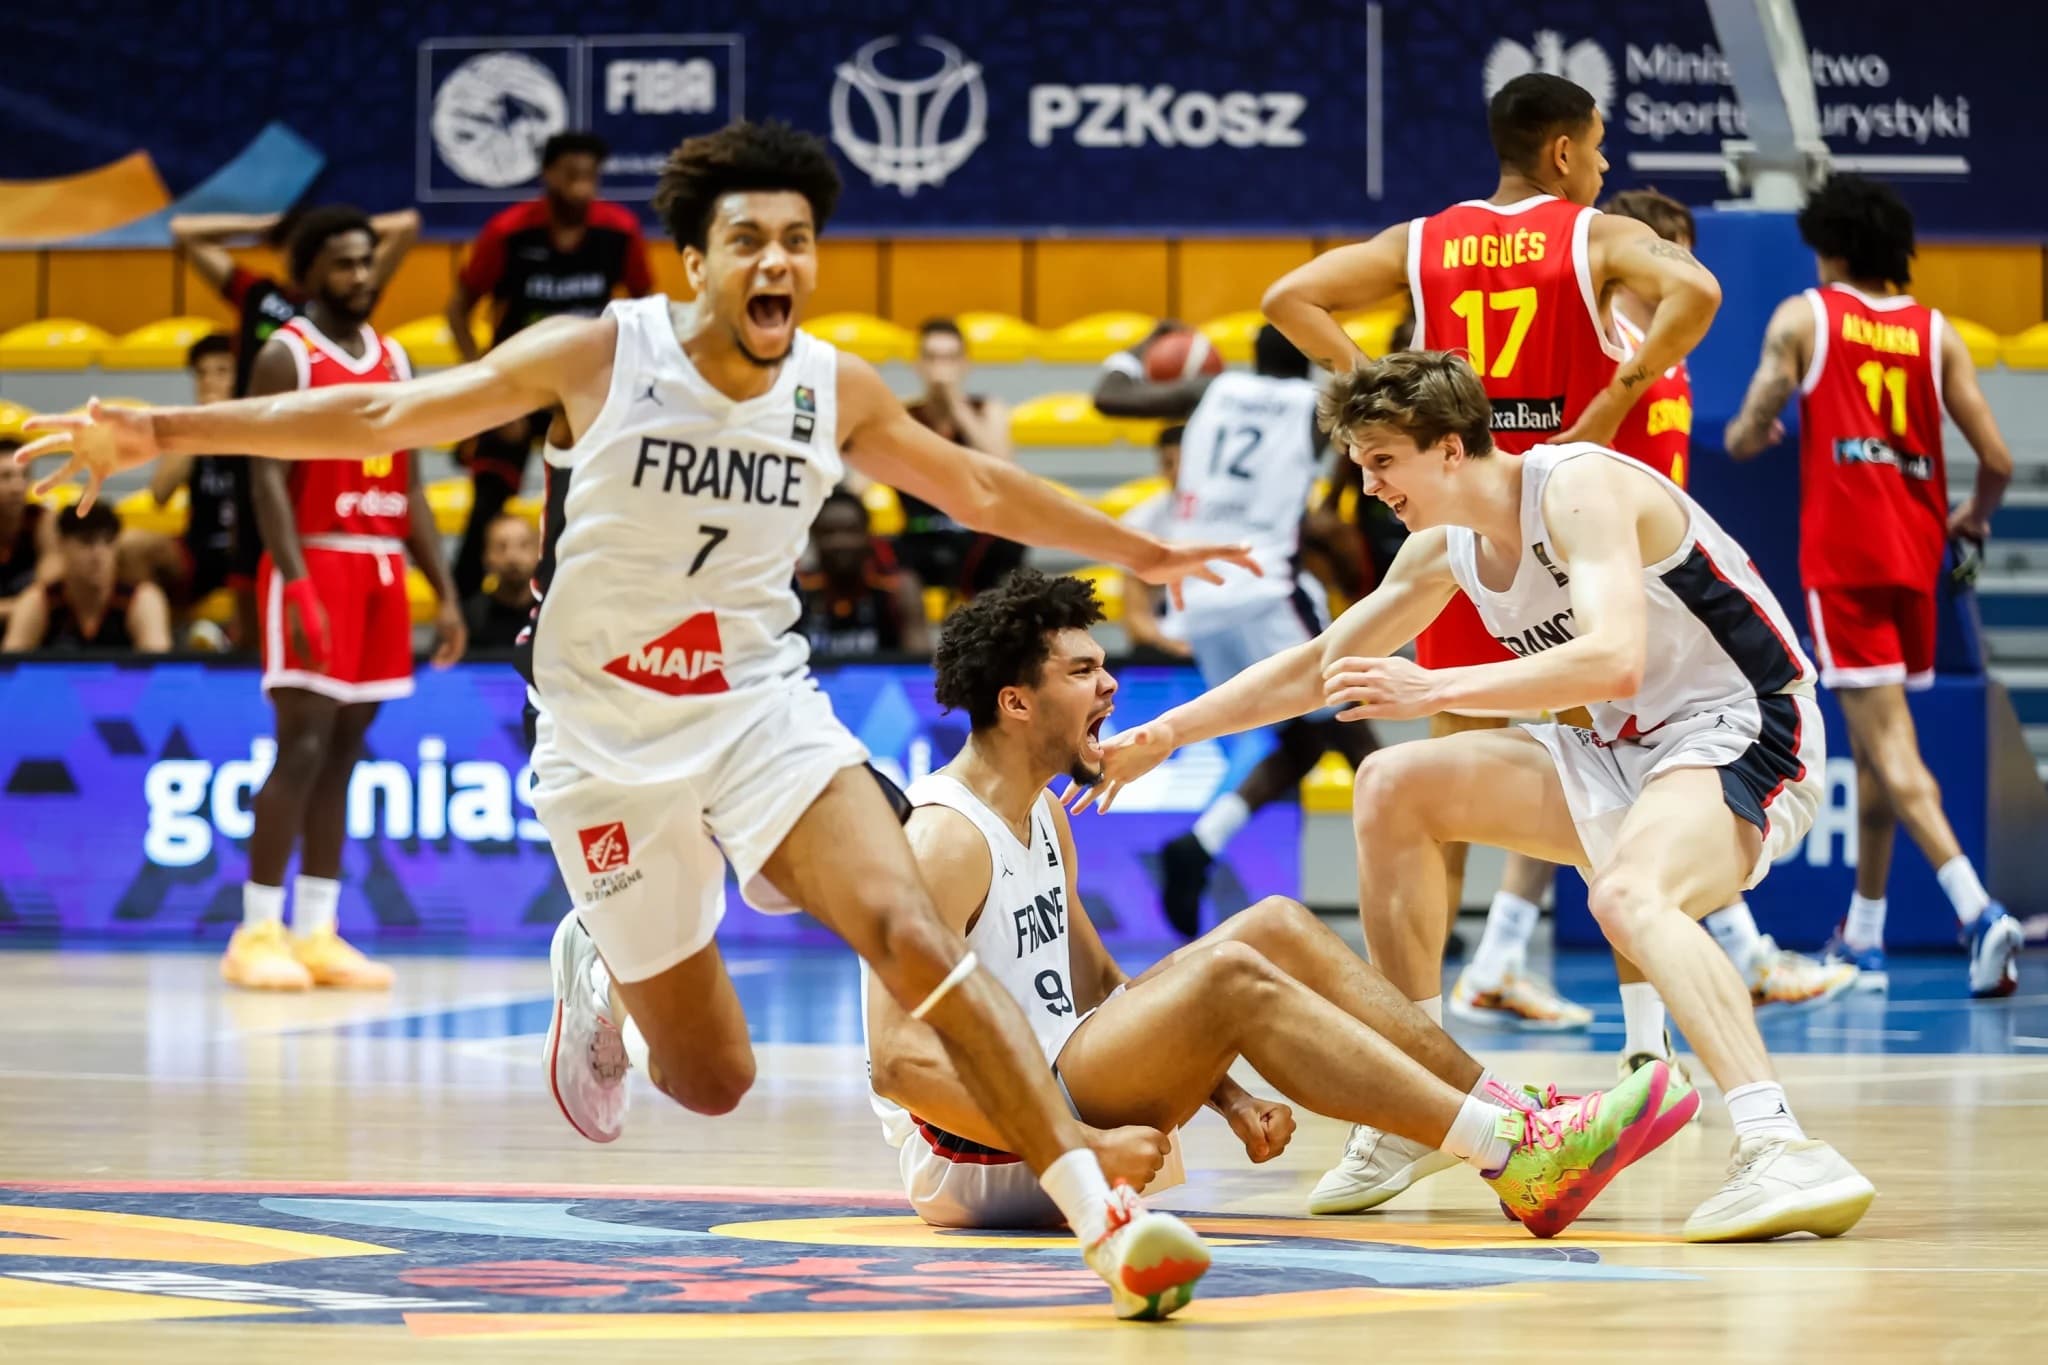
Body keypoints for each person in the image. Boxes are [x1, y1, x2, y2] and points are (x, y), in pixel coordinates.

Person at [17, 120, 1264, 1321]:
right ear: (695, 261)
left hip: (756, 706)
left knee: (904, 923)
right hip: (605, 742)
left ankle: (1097, 1212)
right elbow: (388, 418)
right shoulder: (599, 355)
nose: (776, 260)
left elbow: (980, 482)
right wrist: (161, 429)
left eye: (797, 239)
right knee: (714, 1081)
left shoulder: (833, 387)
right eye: (748, 239)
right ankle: (600, 966)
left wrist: (1139, 542)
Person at [1078, 351, 1877, 1243]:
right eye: (1360, 461)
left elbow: (1614, 656)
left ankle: (1779, 1144)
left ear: (1451, 449)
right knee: (1391, 785)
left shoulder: (1577, 488)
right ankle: (1418, 1101)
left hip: (1742, 725)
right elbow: (1318, 664)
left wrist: (1433, 687)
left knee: (1626, 897)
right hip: (1622, 744)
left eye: (1383, 461)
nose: (1369, 484)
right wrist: (1168, 733)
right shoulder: (1443, 548)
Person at [863, 569, 1692, 1235]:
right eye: (1083, 672)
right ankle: (1507, 1148)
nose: (1111, 684)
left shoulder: (1042, 810)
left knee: (1276, 925)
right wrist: (1078, 1145)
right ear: (1015, 702)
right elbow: (896, 1062)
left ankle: (1511, 1117)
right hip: (980, 1150)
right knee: (1230, 969)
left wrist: (1228, 1097)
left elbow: (1099, 989)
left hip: (1063, 1083)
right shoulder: (943, 838)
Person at [1261, 72, 1721, 1049]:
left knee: (1440, 789)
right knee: (1618, 776)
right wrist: (1615, 398)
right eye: (1596, 149)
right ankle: (1645, 1047)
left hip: (1454, 528)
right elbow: (1695, 288)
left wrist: (1377, 389)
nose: (1601, 167)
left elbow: (1283, 296)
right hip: (1554, 520)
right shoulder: (1586, 234)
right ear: (1562, 151)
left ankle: (1426, 1053)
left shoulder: (1424, 242)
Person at [1724, 173, 2022, 998]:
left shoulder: (1806, 317)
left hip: (1847, 559)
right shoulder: (1938, 333)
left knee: (1892, 751)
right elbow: (1998, 461)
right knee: (1881, 743)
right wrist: (1973, 519)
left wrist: (1758, 429)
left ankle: (1978, 912)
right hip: (1918, 557)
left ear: (1833, 248)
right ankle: (1865, 930)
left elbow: (1750, 428)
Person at [1601, 190, 1856, 1015]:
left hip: (1661, 578)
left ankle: (1500, 952)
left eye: (1691, 251)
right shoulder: (1610, 342)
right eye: (1671, 251)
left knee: (1612, 776)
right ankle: (1735, 964)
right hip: (1611, 578)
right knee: (1608, 770)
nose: (1687, 267)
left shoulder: (1663, 351)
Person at [223, 207, 467, 993]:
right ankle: (256, 928)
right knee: (300, 745)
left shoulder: (396, 359)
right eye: (342, 264)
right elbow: (262, 474)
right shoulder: (285, 357)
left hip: (380, 567)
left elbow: (412, 485)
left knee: (345, 754)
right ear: (307, 276)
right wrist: (293, 579)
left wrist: (446, 590)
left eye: (367, 262)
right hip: (314, 559)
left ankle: (318, 929)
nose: (359, 276)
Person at [1094, 324, 1378, 937]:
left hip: (1199, 598)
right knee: (1359, 734)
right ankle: (1414, 883)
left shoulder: (1211, 391)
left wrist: (1145, 348)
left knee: (1301, 745)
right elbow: (1377, 406)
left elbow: (1109, 396)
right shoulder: (1314, 407)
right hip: (1268, 588)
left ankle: (1197, 847)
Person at [445, 131, 654, 601]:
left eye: (590, 176)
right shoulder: (508, 232)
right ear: (548, 176)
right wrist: (485, 385)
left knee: (590, 503)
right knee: (487, 504)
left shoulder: (619, 231)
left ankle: (591, 609)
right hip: (517, 387)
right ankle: (461, 622)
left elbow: (648, 312)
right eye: (571, 175)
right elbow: (458, 311)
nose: (582, 186)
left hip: (583, 390)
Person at [172, 206, 422, 399]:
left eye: (307, 247)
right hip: (258, 424)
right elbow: (184, 231)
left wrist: (326, 230)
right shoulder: (257, 292)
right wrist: (266, 226)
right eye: (290, 244)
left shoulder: (345, 295)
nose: (297, 253)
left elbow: (406, 226)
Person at [893, 318, 1025, 601]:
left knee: (1010, 546)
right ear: (918, 364)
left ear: (965, 364)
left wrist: (955, 405)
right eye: (932, 357)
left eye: (950, 358)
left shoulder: (989, 410)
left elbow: (1006, 473)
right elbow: (859, 486)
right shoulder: (902, 416)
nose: (941, 367)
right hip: (920, 535)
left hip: (977, 536)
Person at [145, 334, 260, 647]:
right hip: (201, 551)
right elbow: (159, 493)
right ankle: (154, 647)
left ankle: (231, 638)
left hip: (251, 552)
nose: (209, 381)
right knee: (131, 550)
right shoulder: (188, 429)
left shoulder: (261, 426)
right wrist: (201, 427)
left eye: (221, 371)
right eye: (202, 373)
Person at [1, 501, 170, 654]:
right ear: (62, 545)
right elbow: (8, 672)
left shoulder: (140, 600)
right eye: (87, 543)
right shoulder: (40, 601)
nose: (99, 555)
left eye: (108, 542)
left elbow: (158, 671)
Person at [795, 488, 930, 655]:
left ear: (867, 533)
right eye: (828, 532)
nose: (840, 542)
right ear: (814, 536)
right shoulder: (797, 590)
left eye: (851, 530)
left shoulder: (898, 588)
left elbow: (918, 664)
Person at [1116, 424, 1194, 660]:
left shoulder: (1239, 519)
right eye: (1169, 463)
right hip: (1166, 645)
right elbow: (1136, 620)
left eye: (1187, 462)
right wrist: (1175, 648)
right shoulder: (1140, 523)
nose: (1178, 472)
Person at [0, 441, 57, 628]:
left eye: (24, 475)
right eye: (6, 477)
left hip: (28, 623)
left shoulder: (43, 520)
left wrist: (19, 610)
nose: (17, 487)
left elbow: (47, 591)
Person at [464, 513, 540, 651]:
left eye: (523, 545)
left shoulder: (554, 613)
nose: (512, 557)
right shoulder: (470, 617)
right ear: (486, 556)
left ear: (538, 553)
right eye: (501, 547)